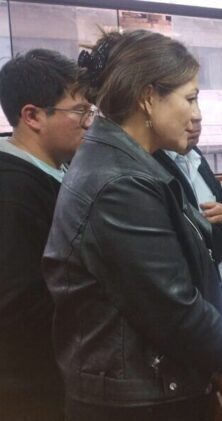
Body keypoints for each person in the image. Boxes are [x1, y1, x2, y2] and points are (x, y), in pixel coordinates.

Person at [42, 30, 222, 420]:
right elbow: (173, 308)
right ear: (148, 97)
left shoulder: (129, 161)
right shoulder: (120, 184)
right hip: (138, 400)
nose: (197, 114)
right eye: (190, 98)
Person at [0, 49, 91, 420]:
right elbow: (20, 309)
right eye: (80, 111)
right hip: (34, 388)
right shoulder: (13, 193)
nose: (89, 122)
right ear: (33, 116)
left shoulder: (60, 171)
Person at [153, 112, 222, 295]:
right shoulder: (156, 167)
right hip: (190, 297)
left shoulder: (195, 155)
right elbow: (196, 246)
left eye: (195, 102)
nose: (197, 119)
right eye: (188, 102)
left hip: (217, 295)